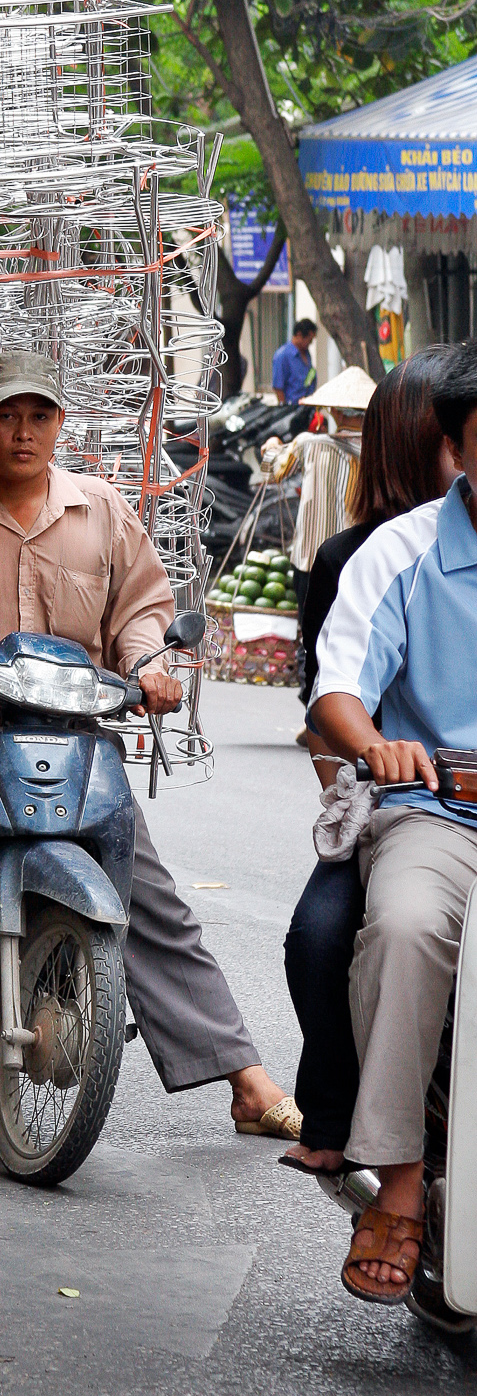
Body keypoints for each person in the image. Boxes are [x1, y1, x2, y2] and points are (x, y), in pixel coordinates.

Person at [0, 350, 300, 1140]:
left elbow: (140, 612)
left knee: (147, 887)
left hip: (74, 732)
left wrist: (150, 663)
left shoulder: (101, 511)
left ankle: (246, 1080)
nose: (22, 432)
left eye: (39, 416)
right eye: (6, 415)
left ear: (59, 425)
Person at [309, 339, 477, 1304]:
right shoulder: (400, 551)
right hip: (436, 810)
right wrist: (375, 742)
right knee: (405, 927)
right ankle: (401, 1182)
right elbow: (337, 683)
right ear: (456, 448)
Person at [281, 351, 457, 1175]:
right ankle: (343, 1127)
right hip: (399, 799)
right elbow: (331, 700)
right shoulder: (367, 557)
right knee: (325, 936)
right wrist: (363, 781)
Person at [262, 364, 372, 610]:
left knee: (312, 639)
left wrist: (271, 445)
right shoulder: (381, 451)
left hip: (311, 561)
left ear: (335, 412)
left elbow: (272, 470)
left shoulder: (310, 444)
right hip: (359, 563)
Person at [272, 319, 318, 405]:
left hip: (306, 406)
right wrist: (284, 408)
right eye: (309, 340)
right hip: (292, 407)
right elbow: (278, 386)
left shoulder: (306, 353)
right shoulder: (283, 355)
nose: (310, 343)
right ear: (299, 335)